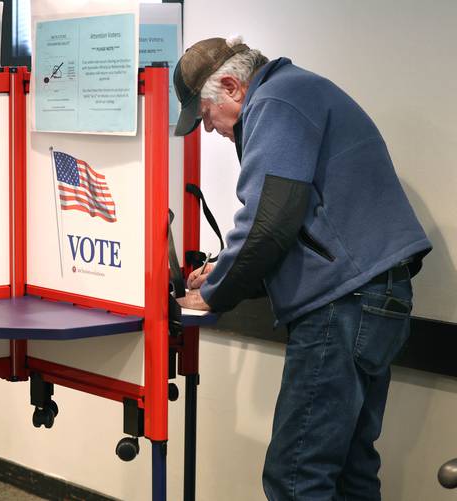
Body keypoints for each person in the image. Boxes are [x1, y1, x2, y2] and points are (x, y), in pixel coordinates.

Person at [172, 36, 432, 500]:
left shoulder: (276, 100)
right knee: (352, 470)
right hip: (375, 299)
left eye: (205, 117)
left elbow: (269, 222)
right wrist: (224, 269)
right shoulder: (299, 90)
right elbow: (297, 228)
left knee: (296, 477)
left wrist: (213, 294)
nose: (209, 131)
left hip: (343, 305)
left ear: (231, 86)